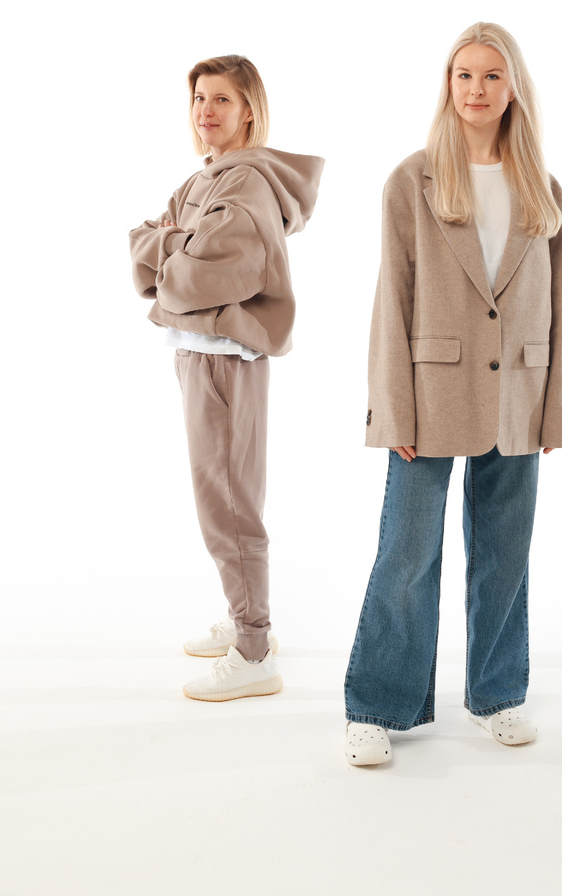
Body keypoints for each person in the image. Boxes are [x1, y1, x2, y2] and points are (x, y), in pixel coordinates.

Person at [344, 22, 562, 766]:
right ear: (448, 84)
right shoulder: (412, 179)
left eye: (491, 76)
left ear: (514, 89)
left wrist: (554, 409)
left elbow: (558, 306)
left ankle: (498, 695)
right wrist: (391, 408)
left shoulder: (543, 188)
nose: (476, 89)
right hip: (430, 392)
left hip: (520, 394)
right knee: (407, 554)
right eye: (463, 75)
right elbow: (392, 300)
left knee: (505, 556)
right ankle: (377, 706)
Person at [130, 54, 323, 702]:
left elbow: (193, 275)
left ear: (248, 111)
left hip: (221, 358)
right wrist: (175, 247)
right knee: (230, 498)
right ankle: (248, 621)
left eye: (221, 99)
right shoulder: (205, 179)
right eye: (199, 98)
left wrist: (169, 249)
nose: (206, 110)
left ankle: (253, 649)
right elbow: (144, 247)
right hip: (203, 353)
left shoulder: (242, 185)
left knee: (228, 506)